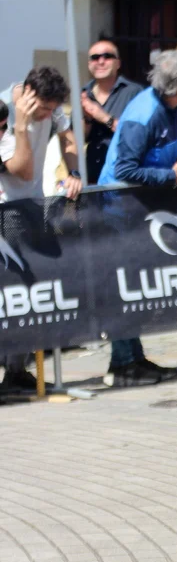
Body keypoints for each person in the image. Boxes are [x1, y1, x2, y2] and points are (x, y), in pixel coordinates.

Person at [98, 50, 177, 388]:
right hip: (116, 213)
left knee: (135, 290)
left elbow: (168, 153)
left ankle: (133, 357)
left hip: (140, 212)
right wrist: (172, 177)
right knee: (124, 290)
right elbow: (125, 170)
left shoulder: (174, 106)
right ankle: (123, 364)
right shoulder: (143, 115)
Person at [0, 67, 82, 392]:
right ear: (29, 94)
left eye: (52, 109)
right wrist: (22, 124)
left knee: (32, 288)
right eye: (45, 109)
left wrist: (73, 172)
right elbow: (22, 170)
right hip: (6, 209)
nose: (49, 115)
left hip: (33, 204)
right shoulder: (6, 112)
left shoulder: (51, 108)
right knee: (12, 290)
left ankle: (16, 370)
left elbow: (68, 136)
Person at [81, 37, 142, 184]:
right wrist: (87, 119)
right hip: (92, 178)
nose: (101, 61)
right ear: (89, 64)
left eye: (107, 56)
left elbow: (138, 135)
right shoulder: (83, 94)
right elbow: (77, 140)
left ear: (118, 63)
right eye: (95, 58)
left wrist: (104, 117)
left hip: (123, 178)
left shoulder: (134, 93)